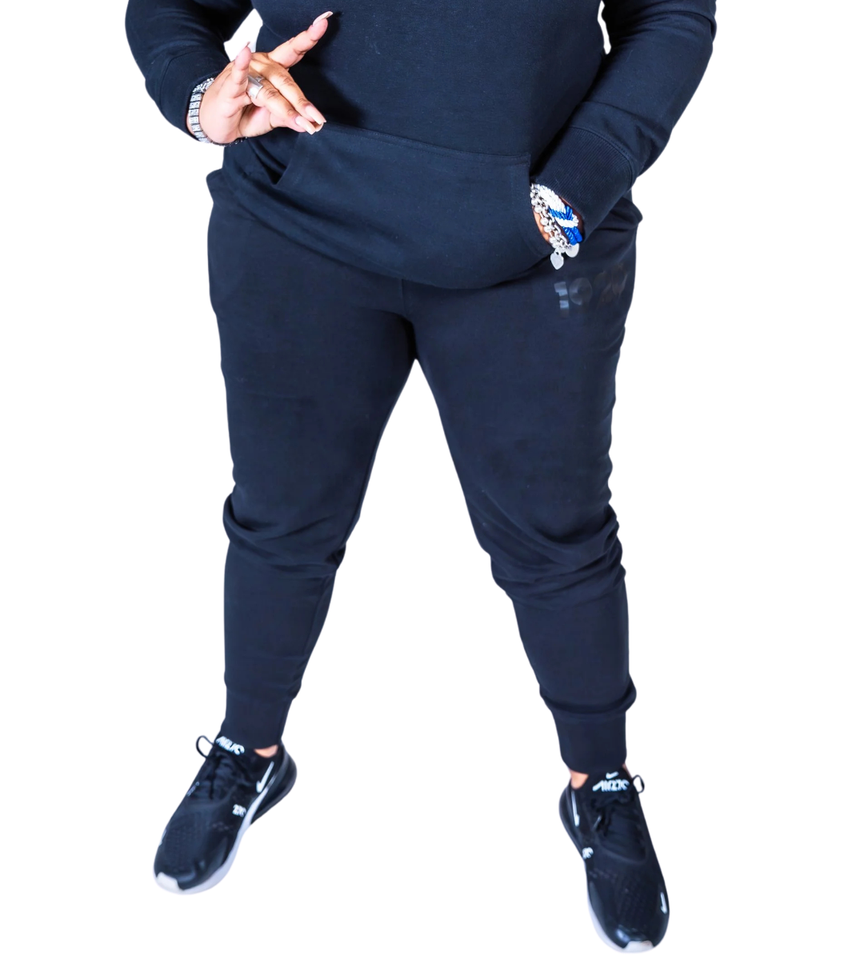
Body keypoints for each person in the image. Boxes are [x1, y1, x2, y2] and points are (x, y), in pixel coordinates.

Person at [125, 1, 715, 950]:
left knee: (556, 539)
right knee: (281, 518)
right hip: (298, 226)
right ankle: (250, 749)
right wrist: (199, 97)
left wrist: (572, 189)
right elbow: (170, 10)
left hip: (525, 246)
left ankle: (599, 779)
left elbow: (673, 14)